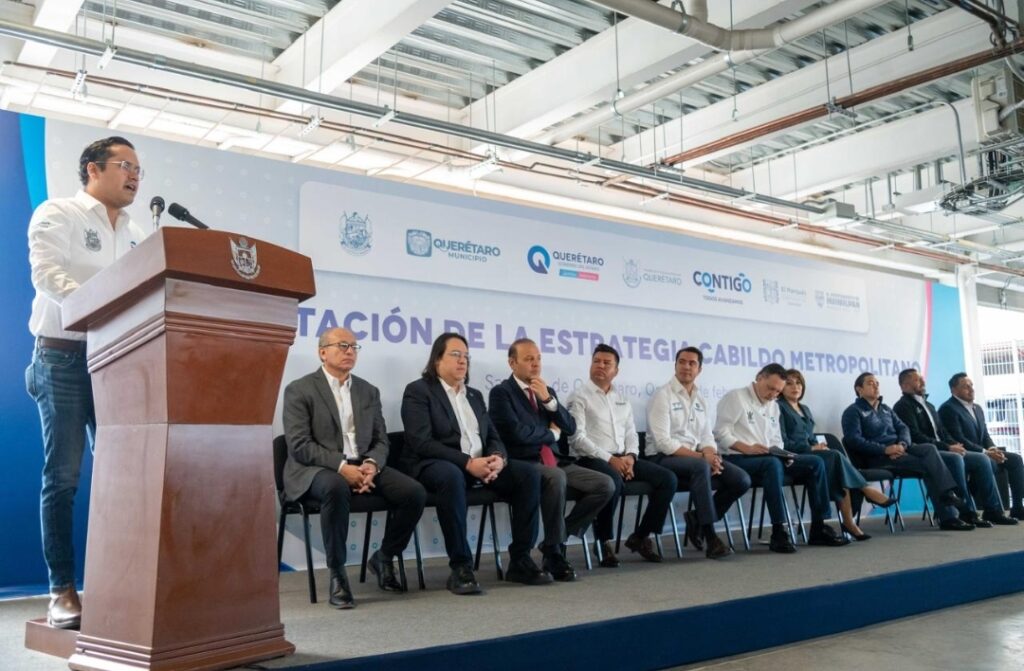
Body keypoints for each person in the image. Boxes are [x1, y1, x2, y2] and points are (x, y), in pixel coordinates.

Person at [26, 136, 148, 629]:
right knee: (64, 478)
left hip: (117, 359)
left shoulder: (137, 233)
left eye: (138, 169)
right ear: (93, 169)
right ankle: (61, 589)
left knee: (123, 477)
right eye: (125, 165)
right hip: (63, 358)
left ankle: (117, 581)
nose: (134, 175)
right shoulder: (59, 213)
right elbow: (46, 274)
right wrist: (101, 312)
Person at [282, 327, 426, 609]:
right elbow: (300, 445)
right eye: (342, 345)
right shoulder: (299, 389)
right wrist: (341, 466)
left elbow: (381, 440)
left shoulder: (368, 391)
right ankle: (338, 574)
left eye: (354, 347)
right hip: (315, 469)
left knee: (414, 492)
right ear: (322, 352)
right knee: (336, 487)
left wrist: (371, 464)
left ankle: (384, 556)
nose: (349, 351)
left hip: (363, 465)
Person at [401, 333, 550, 593]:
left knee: (528, 474)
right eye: (455, 355)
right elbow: (421, 442)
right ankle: (461, 567)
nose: (463, 361)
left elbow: (492, 436)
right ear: (437, 360)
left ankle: (521, 560)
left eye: (466, 356)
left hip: (479, 465)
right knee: (451, 476)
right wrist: (468, 463)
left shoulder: (474, 395)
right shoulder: (419, 391)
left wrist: (498, 459)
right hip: (435, 464)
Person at [489, 338, 615, 581]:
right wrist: (551, 434)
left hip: (555, 461)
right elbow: (517, 434)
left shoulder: (546, 391)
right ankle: (555, 553)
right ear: (512, 363)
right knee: (555, 477)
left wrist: (548, 401)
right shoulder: (501, 393)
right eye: (529, 359)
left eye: (538, 358)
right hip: (524, 463)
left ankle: (553, 541)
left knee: (605, 484)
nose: (536, 364)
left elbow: (570, 427)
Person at [714, 363, 848, 552]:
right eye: (770, 388)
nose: (773, 395)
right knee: (772, 464)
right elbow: (720, 433)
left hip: (767, 456)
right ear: (759, 378)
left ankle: (819, 528)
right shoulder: (736, 397)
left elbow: (776, 439)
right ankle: (778, 531)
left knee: (815, 462)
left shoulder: (773, 406)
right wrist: (747, 448)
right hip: (737, 457)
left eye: (777, 391)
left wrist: (783, 454)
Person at [568, 345, 678, 565]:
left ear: (616, 371)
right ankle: (603, 542)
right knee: (613, 480)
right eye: (596, 361)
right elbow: (577, 439)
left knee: (667, 479)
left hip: (623, 458)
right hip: (591, 459)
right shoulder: (579, 397)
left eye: (606, 363)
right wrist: (611, 460)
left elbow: (630, 433)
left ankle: (641, 536)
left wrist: (631, 457)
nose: (600, 366)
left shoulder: (622, 398)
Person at [645, 347, 750, 559]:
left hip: (695, 458)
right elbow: (664, 443)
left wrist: (711, 454)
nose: (686, 366)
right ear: (675, 365)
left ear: (699, 369)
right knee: (701, 467)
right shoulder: (662, 396)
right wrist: (703, 458)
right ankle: (711, 537)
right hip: (662, 458)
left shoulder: (701, 399)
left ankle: (696, 518)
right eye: (682, 362)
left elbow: (706, 436)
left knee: (741, 480)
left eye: (692, 363)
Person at [841, 373, 973, 531]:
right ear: (859, 389)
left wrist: (902, 445)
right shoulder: (853, 412)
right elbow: (854, 440)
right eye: (870, 383)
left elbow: (903, 428)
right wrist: (885, 450)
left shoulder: (885, 409)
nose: (876, 386)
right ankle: (949, 515)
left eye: (877, 383)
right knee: (929, 466)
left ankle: (947, 496)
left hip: (900, 450)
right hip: (879, 458)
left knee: (929, 449)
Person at [777, 369, 895, 541]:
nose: (795, 387)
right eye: (789, 383)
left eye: (798, 383)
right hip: (792, 458)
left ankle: (849, 522)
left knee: (837, 468)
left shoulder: (805, 409)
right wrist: (811, 448)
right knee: (835, 458)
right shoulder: (778, 408)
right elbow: (781, 442)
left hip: (813, 457)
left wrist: (818, 447)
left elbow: (810, 437)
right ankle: (864, 491)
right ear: (781, 387)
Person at [895, 369, 1016, 527]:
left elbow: (943, 432)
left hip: (945, 448)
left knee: (982, 459)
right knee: (956, 459)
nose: (923, 382)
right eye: (917, 380)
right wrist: (947, 447)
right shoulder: (902, 406)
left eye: (922, 379)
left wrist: (953, 444)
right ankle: (966, 512)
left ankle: (993, 510)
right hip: (928, 452)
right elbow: (915, 436)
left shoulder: (929, 405)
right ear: (904, 385)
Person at [938, 372, 1024, 521]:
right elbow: (958, 439)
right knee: (987, 462)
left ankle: (1017, 508)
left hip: (985, 453)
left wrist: (993, 449)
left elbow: (985, 435)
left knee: (1015, 459)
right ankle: (992, 510)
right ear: (954, 390)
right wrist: (985, 452)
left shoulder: (977, 408)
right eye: (966, 387)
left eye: (971, 385)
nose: (971, 389)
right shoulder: (948, 409)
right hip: (967, 454)